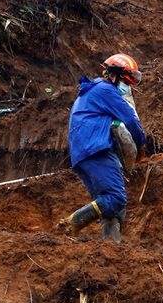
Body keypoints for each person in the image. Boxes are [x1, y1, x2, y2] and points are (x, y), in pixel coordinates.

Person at [57, 53, 147, 242]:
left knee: (111, 205)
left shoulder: (91, 92)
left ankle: (111, 248)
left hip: (83, 154)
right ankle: (72, 223)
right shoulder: (106, 90)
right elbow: (129, 118)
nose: (127, 88)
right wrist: (141, 146)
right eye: (126, 82)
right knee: (116, 197)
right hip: (97, 150)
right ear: (113, 75)